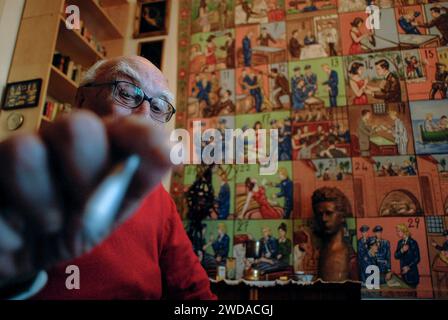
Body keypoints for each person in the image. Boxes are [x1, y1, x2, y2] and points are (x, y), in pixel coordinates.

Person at [0, 56, 215, 300]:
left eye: (157, 107)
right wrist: (12, 280)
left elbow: (194, 292)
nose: (144, 114)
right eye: (126, 92)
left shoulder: (160, 200)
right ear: (81, 100)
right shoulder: (29, 182)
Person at [312, 187, 358, 281]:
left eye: (329, 213)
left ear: (342, 216)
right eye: (320, 214)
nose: (323, 219)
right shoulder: (320, 251)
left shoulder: (348, 256)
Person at [394, 223, 421, 288]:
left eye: (398, 231)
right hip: (403, 274)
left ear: (404, 231)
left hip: (412, 274)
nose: (397, 233)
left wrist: (408, 267)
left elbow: (417, 258)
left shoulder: (412, 242)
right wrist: (402, 250)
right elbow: (396, 256)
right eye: (397, 231)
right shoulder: (400, 242)